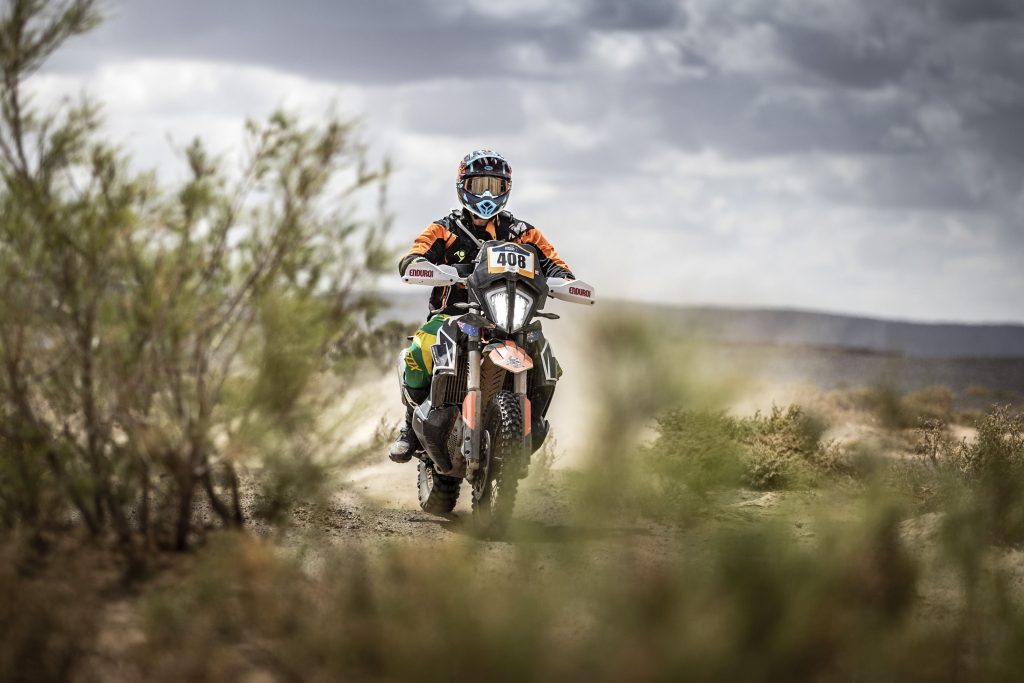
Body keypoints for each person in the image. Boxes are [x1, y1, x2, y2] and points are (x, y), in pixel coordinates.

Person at [389, 150, 574, 463]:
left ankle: (533, 421)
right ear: (463, 186)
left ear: (506, 189)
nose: (487, 194)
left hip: (511, 315)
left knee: (546, 357)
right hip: (455, 313)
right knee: (421, 348)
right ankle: (409, 426)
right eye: (479, 186)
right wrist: (420, 265)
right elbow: (415, 254)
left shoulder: (522, 232)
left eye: (494, 186)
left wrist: (564, 279)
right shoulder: (445, 229)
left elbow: (553, 261)